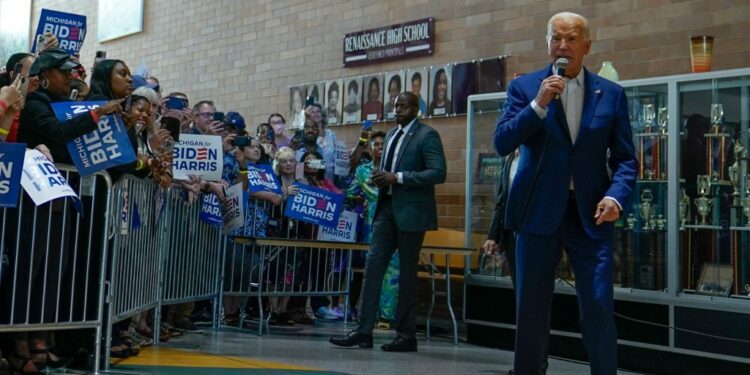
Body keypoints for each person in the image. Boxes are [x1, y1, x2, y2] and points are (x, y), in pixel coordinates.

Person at [493, 12, 636, 374]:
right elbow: (502, 141)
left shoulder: (612, 95)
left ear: (587, 46)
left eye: (571, 39)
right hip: (536, 211)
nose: (563, 46)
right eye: (556, 38)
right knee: (531, 309)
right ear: (547, 43)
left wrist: (616, 197)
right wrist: (538, 105)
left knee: (599, 305)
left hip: (591, 213)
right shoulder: (525, 88)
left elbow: (625, 160)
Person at [329, 91, 446, 352]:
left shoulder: (427, 135)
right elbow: (388, 170)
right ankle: (363, 331)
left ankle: (406, 336)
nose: (398, 110)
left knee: (406, 274)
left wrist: (398, 178)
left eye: (404, 106)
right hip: (385, 208)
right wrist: (380, 178)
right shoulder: (391, 135)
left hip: (411, 213)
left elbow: (438, 173)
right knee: (373, 268)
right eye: (396, 106)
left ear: (416, 109)